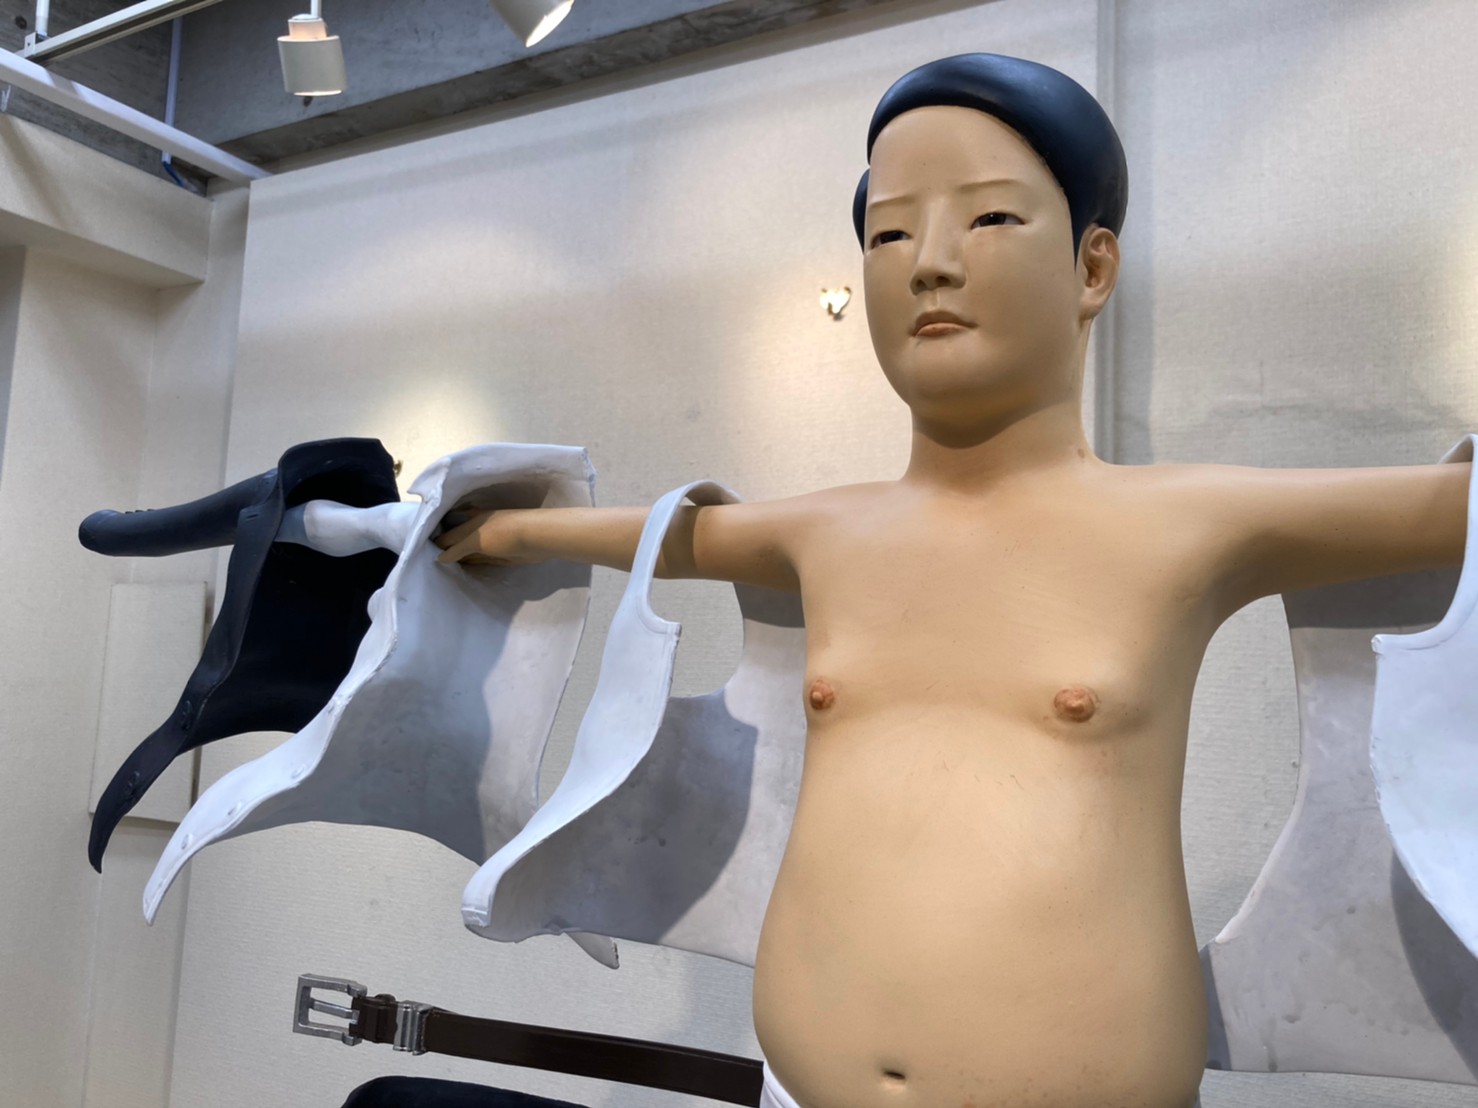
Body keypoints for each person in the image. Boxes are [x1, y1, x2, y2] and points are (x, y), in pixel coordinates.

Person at [434, 53, 1470, 1108]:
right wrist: (504, 529)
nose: (928, 263)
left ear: (1091, 267)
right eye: (888, 233)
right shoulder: (830, 533)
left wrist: (512, 528)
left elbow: (1447, 511)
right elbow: (676, 540)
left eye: (988, 218)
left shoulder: (1184, 526)